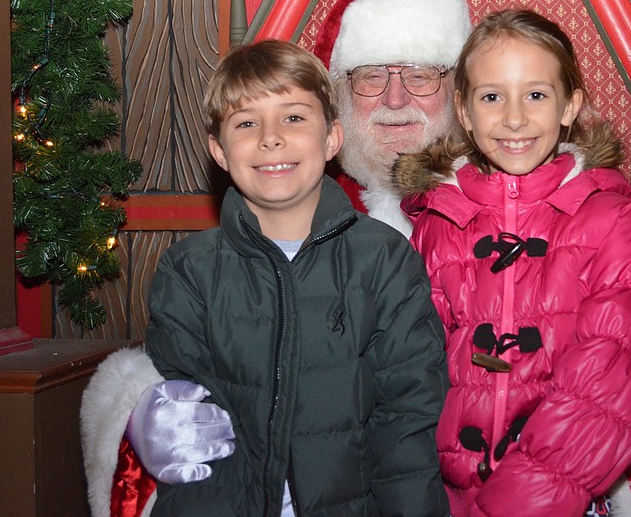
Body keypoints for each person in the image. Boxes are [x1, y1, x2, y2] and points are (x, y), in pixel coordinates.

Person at [82, 0, 631, 517]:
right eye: (369, 77)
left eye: (420, 75)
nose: (395, 99)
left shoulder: (573, 211)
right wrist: (144, 416)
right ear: (339, 106)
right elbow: (189, 372)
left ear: (458, 98)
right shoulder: (272, 222)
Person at [85, 39, 450, 517]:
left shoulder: (383, 259)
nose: (270, 137)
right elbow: (192, 435)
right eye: (246, 123)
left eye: (294, 117)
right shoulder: (189, 271)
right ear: (219, 150)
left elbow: (407, 424)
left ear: (332, 138)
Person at [392, 8, 631, 516]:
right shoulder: (438, 222)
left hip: (559, 497)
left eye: (536, 95)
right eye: (492, 96)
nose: (514, 118)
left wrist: (514, 504)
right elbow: (408, 371)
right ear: (466, 111)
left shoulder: (607, 218)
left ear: (570, 106)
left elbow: (610, 382)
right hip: (449, 495)